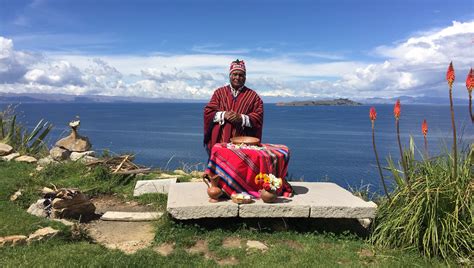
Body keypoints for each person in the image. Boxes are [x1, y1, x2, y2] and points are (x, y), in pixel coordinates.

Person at [203, 59, 264, 155]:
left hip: (243, 144)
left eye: (241, 75)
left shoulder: (253, 96)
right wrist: (224, 115)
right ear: (230, 76)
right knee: (220, 167)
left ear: (245, 77)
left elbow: (258, 117)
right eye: (234, 74)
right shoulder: (219, 93)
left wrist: (241, 118)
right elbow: (208, 112)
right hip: (221, 141)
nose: (237, 77)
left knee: (240, 167)